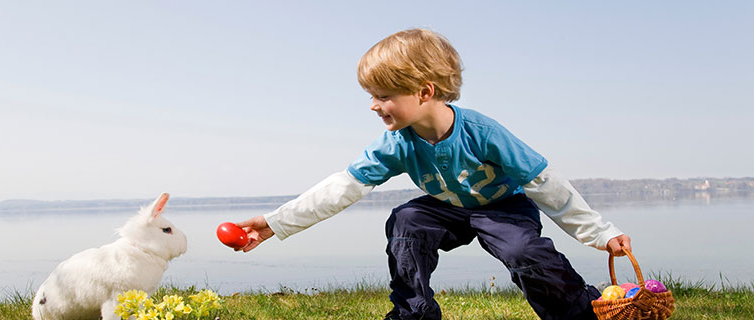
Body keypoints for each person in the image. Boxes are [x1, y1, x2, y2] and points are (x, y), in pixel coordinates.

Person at [237, 28, 631, 320]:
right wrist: (275, 223)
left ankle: (580, 311)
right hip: (446, 208)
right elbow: (343, 186)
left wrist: (600, 232)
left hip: (504, 207)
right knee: (408, 219)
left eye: (383, 95)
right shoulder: (397, 142)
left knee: (522, 251)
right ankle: (414, 312)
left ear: (424, 92)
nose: (374, 106)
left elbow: (545, 183)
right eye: (370, 95)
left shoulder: (484, 133)